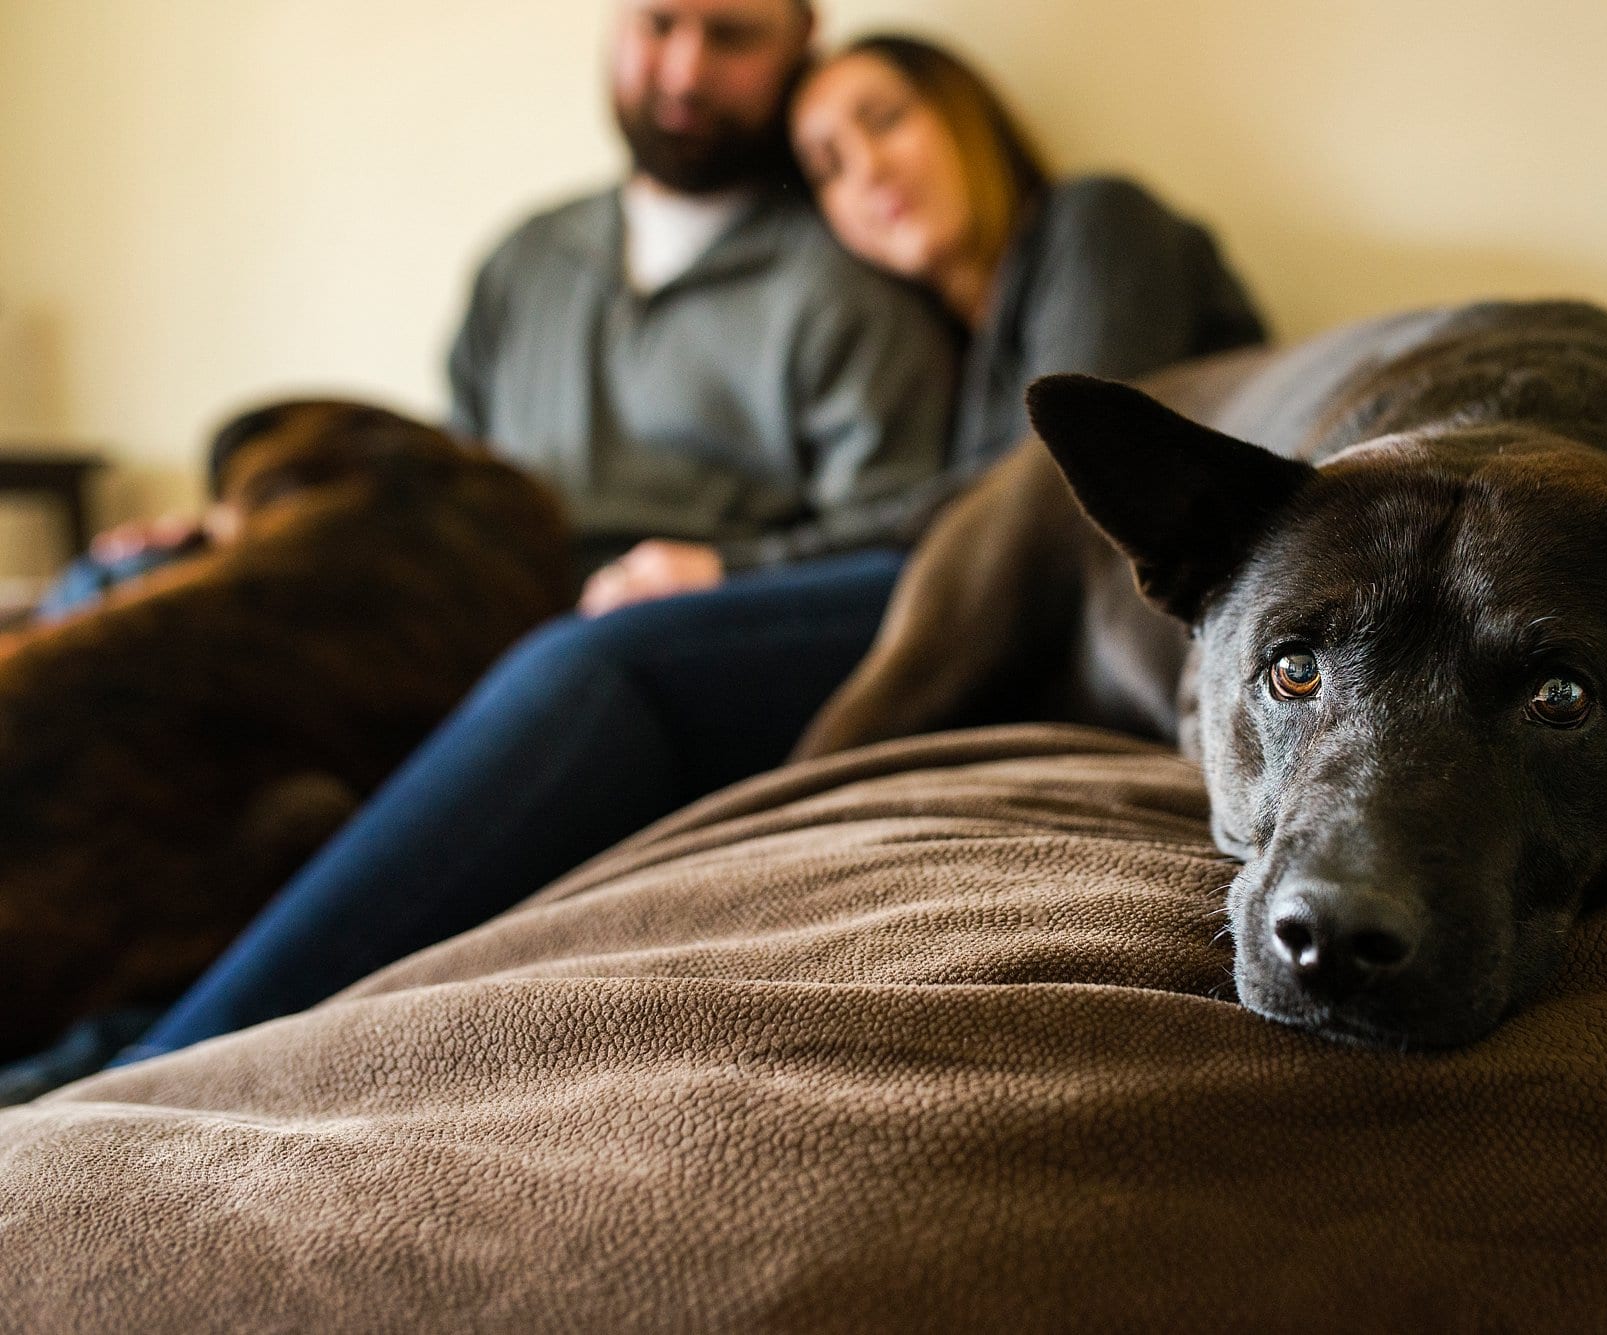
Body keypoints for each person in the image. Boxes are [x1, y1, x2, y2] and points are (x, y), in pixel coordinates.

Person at [108, 30, 1267, 1069]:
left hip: (1083, 616)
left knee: (591, 666)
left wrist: (730, 573)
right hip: (1018, 607)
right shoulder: (962, 333)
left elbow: (1035, 502)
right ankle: (125, 1012)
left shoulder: (1094, 222)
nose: (862, 173)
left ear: (967, 113)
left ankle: (164, 1056)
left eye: (885, 120)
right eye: (823, 164)